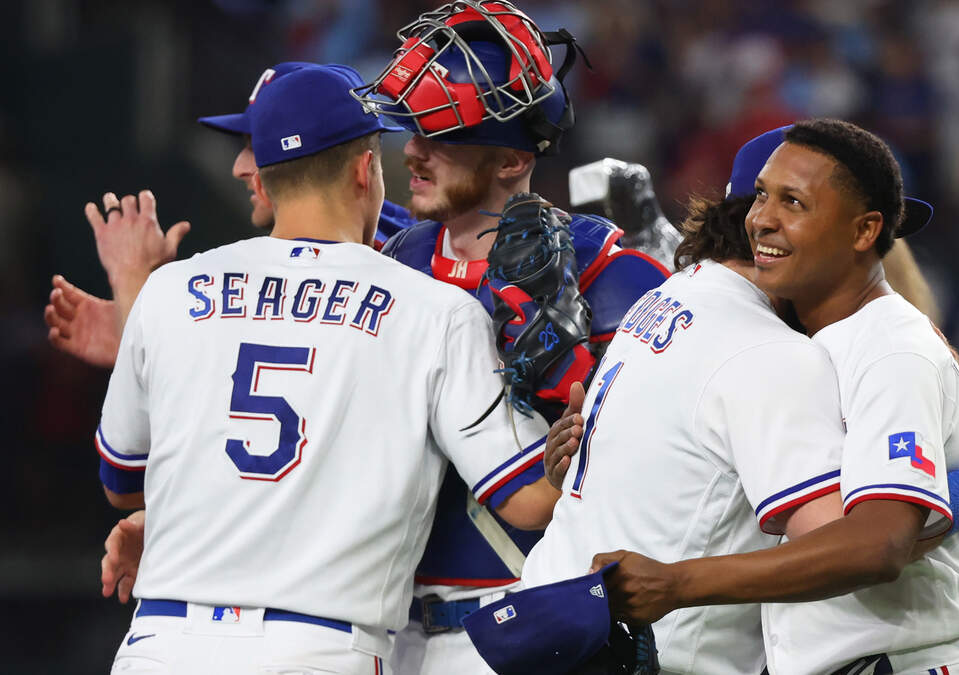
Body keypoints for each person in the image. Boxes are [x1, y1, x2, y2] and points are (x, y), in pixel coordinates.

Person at [99, 64, 552, 674]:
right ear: (366, 170)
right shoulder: (432, 308)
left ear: (266, 176)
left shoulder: (171, 290)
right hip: (318, 647)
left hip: (162, 643)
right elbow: (529, 501)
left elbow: (123, 481)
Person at [526, 120, 959, 675]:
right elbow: (863, 540)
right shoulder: (772, 348)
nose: (768, 218)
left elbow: (874, 543)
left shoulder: (671, 302)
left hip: (904, 657)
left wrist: (678, 580)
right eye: (764, 197)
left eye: (794, 202)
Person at [353, 3, 670, 672]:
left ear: (514, 158)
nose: (412, 150)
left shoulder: (608, 272)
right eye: (413, 129)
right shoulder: (385, 266)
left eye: (442, 135)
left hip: (535, 626)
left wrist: (577, 394)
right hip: (389, 632)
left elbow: (671, 467)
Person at [43, 61, 416, 369]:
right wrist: (145, 335)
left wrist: (140, 327)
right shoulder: (369, 247)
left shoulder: (410, 258)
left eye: (258, 146)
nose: (239, 167)